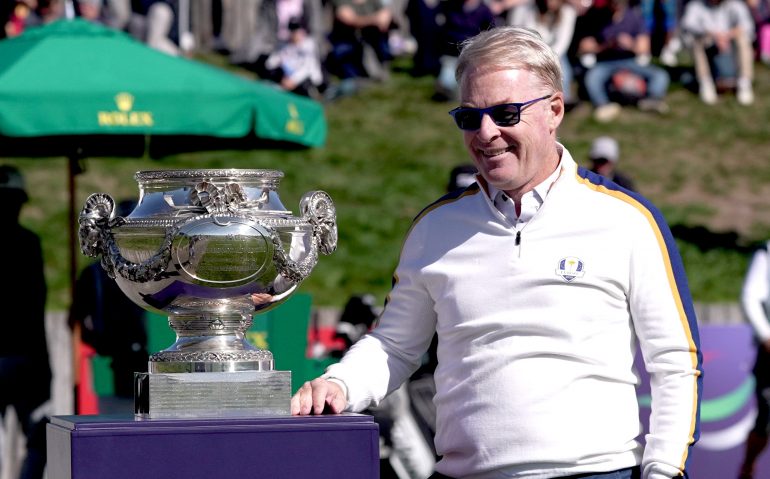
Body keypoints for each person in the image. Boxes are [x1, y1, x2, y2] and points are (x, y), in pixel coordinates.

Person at [292, 26, 703, 479]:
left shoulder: (626, 219)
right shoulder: (435, 228)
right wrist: (340, 384)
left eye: (506, 113)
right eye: (470, 117)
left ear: (554, 111)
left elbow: (674, 361)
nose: (486, 133)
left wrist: (664, 470)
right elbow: (394, 345)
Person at [69, 199, 149, 412]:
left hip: (148, 361)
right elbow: (75, 319)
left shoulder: (158, 270)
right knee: (118, 421)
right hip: (112, 364)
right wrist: (99, 343)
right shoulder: (95, 274)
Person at [0, 165, 51, 479]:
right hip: (24, 358)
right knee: (38, 438)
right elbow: (37, 305)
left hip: (22, 357)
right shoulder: (27, 243)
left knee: (39, 438)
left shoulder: (28, 243)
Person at [575, 0, 671, 122]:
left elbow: (644, 48)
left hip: (630, 61)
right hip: (605, 61)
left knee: (660, 75)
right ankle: (602, 105)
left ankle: (653, 100)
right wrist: (607, 45)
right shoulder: (597, 16)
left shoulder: (634, 16)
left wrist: (630, 44)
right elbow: (584, 47)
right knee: (592, 77)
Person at [679, 0, 756, 106]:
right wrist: (714, 35)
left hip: (730, 51)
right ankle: (705, 83)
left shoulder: (736, 5)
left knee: (743, 40)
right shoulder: (696, 5)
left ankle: (744, 83)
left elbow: (747, 26)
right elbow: (688, 25)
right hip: (710, 49)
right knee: (697, 40)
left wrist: (728, 35)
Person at [737, 241, 770, 479]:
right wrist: (766, 335)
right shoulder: (765, 252)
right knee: (766, 418)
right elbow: (751, 296)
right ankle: (748, 467)